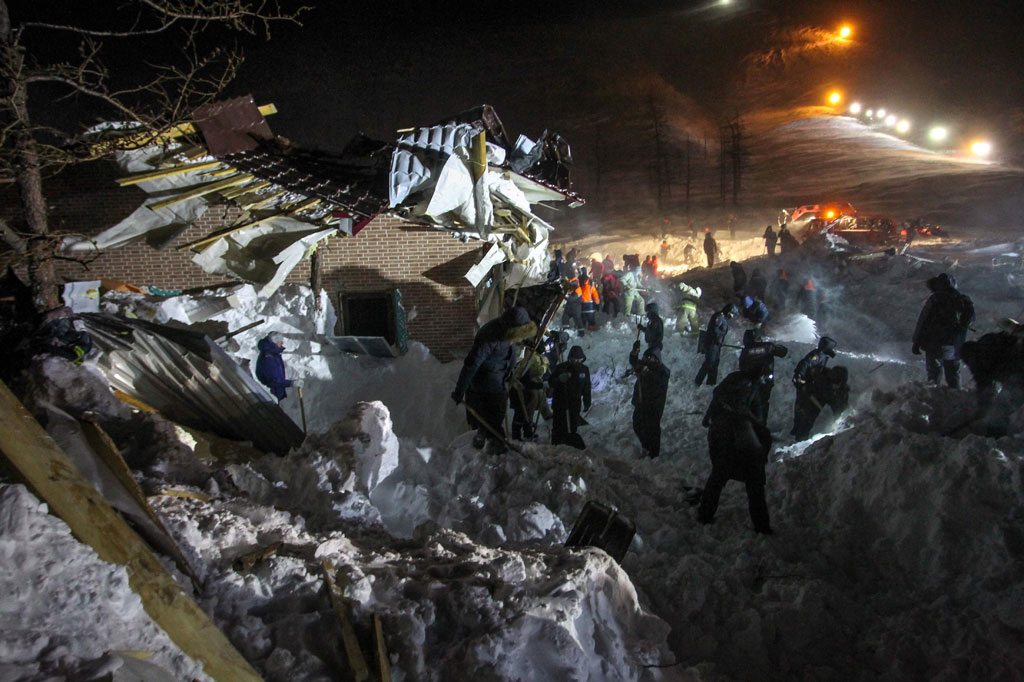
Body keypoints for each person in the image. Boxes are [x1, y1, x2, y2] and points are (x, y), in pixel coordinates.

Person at [697, 366, 773, 534]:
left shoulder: (738, 381)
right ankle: (761, 526)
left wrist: (709, 416)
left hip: (726, 436)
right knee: (753, 483)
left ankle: (705, 514)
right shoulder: (748, 386)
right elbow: (760, 421)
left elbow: (717, 395)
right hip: (736, 439)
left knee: (718, 477)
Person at [452, 306, 538, 452]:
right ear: (512, 329)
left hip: (499, 385)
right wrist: (460, 389)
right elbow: (472, 364)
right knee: (490, 427)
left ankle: (494, 451)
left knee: (494, 422)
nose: (521, 339)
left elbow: (509, 354)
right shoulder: (489, 337)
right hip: (484, 389)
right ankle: (492, 454)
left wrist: (511, 372)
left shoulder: (508, 333)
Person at [912, 272, 975, 388]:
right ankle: (955, 397)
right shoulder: (963, 300)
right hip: (953, 343)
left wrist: (916, 342)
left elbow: (923, 321)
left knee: (933, 374)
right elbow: (970, 320)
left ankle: (933, 398)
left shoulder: (935, 299)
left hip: (934, 343)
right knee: (953, 373)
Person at [791, 336, 837, 439]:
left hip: (809, 387)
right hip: (806, 387)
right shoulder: (817, 355)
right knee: (804, 410)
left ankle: (799, 430)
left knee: (803, 409)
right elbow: (804, 364)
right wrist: (799, 379)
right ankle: (800, 433)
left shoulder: (822, 355)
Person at [739, 329, 789, 422]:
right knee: (763, 404)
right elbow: (783, 352)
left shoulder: (746, 351)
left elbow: (742, 367)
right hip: (766, 381)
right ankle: (761, 425)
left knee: (750, 404)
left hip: (750, 383)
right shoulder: (767, 346)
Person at [629, 343, 670, 458]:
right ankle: (646, 446)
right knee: (637, 424)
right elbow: (634, 362)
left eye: (651, 357)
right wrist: (634, 352)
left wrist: (646, 372)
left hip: (654, 406)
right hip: (641, 402)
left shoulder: (663, 371)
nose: (647, 359)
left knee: (652, 429)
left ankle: (654, 453)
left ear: (657, 359)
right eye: (646, 357)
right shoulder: (644, 365)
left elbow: (658, 382)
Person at [791, 365, 850, 440]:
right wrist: (804, 387)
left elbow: (841, 408)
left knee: (839, 415)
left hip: (827, 396)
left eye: (838, 383)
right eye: (834, 382)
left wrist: (841, 420)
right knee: (806, 419)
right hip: (815, 397)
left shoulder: (842, 391)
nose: (835, 385)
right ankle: (801, 437)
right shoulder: (820, 378)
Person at [550, 345, 592, 447]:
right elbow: (551, 382)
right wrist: (559, 379)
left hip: (574, 403)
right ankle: (556, 445)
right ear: (570, 358)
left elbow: (587, 387)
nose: (577, 361)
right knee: (558, 426)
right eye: (574, 359)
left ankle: (570, 447)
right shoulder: (561, 368)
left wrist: (587, 402)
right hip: (560, 402)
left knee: (572, 426)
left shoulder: (584, 370)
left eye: (579, 359)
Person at [510, 351, 551, 441]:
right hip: (518, 394)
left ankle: (528, 433)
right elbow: (527, 383)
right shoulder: (523, 368)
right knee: (520, 415)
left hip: (524, 394)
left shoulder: (526, 366)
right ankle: (516, 436)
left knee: (526, 414)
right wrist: (541, 385)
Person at [695, 303, 738, 386]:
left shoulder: (723, 319)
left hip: (717, 345)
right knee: (709, 362)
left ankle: (711, 384)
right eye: (732, 314)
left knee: (714, 364)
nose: (732, 316)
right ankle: (697, 381)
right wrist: (718, 339)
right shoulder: (719, 317)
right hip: (712, 344)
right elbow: (714, 329)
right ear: (729, 312)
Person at [256, 332, 294, 401]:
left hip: (277, 391)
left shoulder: (272, 353)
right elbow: (275, 381)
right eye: (280, 341)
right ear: (275, 342)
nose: (282, 343)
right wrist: (292, 383)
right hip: (273, 393)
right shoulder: (269, 358)